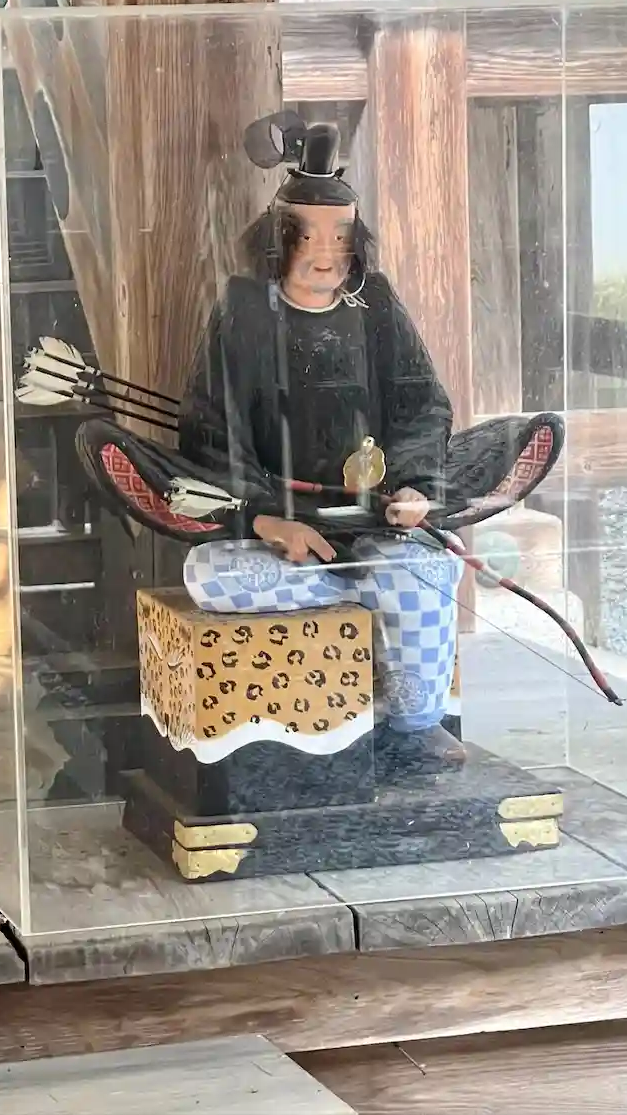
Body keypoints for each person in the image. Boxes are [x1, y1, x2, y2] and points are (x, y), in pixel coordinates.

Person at [176, 122, 468, 768]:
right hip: (285, 533)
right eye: (306, 237)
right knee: (207, 578)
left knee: (426, 571)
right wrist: (263, 516)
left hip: (374, 518)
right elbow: (209, 428)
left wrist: (415, 485)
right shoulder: (243, 311)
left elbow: (424, 404)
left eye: (340, 238)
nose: (325, 255)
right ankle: (365, 593)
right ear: (278, 239)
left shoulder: (375, 304)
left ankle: (414, 725)